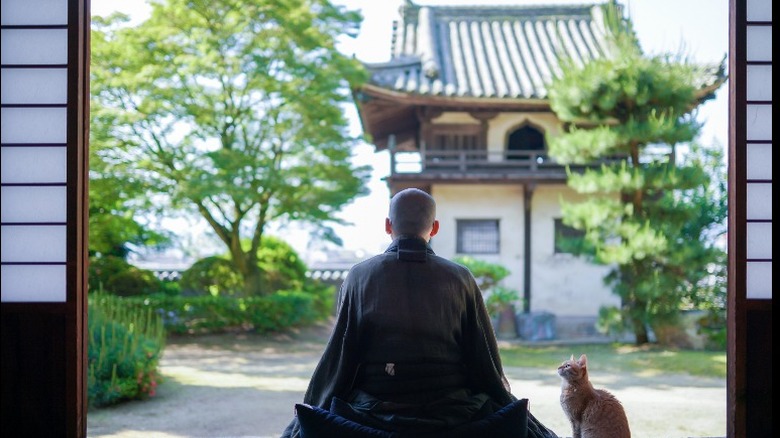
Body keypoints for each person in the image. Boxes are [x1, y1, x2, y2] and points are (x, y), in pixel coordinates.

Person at [281, 188, 557, 438]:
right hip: (453, 411)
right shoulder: (460, 278)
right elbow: (483, 361)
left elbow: (340, 360)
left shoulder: (359, 276)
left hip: (374, 413)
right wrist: (502, 398)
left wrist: (312, 407)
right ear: (434, 227)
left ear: (388, 226)